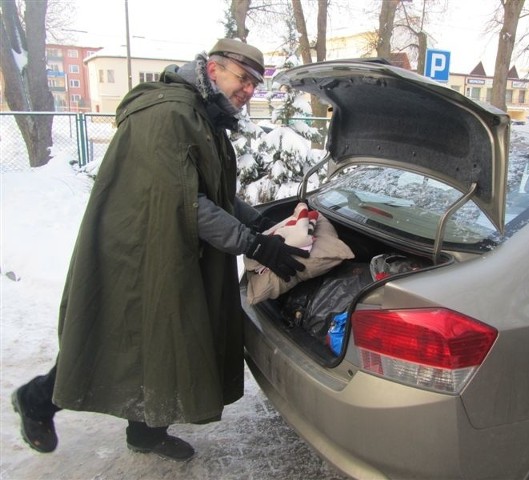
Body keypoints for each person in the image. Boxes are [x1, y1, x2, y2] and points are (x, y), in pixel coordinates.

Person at [11, 38, 309, 462]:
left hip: (170, 245)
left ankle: (146, 432)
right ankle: (38, 398)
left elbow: (214, 192)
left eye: (254, 84)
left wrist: (256, 220)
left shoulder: (203, 116)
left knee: (166, 340)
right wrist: (252, 242)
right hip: (135, 251)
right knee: (118, 340)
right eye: (242, 78)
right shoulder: (170, 113)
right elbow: (185, 202)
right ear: (212, 70)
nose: (247, 90)